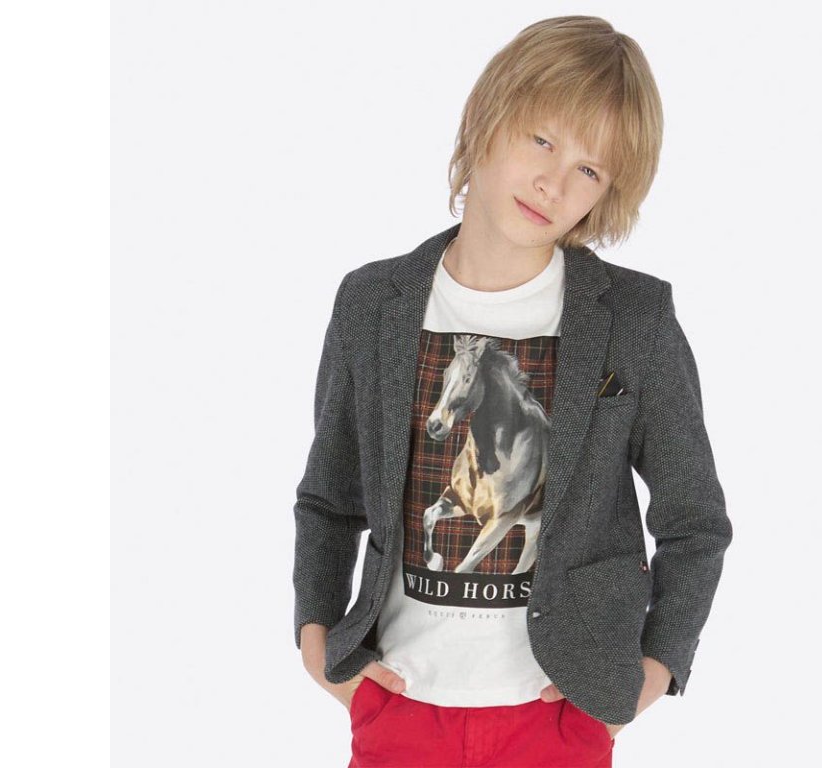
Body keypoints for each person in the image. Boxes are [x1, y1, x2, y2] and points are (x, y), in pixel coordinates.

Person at [293, 15, 733, 767]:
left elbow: (694, 521)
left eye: (590, 170)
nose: (554, 183)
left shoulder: (635, 319)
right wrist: (317, 644)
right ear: (488, 116)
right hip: (399, 701)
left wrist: (654, 670)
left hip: (557, 714)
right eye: (543, 141)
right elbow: (332, 497)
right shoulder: (372, 303)